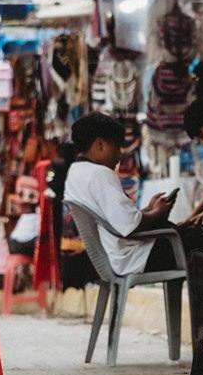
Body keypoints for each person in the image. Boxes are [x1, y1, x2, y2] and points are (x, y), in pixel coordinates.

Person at [60, 113, 178, 277]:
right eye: (116, 147)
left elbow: (116, 220)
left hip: (116, 256)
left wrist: (149, 209)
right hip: (134, 259)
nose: (120, 154)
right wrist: (158, 213)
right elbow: (130, 227)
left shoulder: (75, 172)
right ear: (100, 145)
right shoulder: (100, 174)